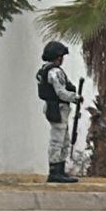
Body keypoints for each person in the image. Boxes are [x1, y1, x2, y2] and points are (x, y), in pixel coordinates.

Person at [37, 41, 81, 184]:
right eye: (61, 56)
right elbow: (60, 92)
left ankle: (60, 169)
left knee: (64, 140)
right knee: (58, 140)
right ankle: (55, 171)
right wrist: (75, 97)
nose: (62, 59)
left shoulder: (45, 70)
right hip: (57, 108)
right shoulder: (54, 72)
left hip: (58, 108)